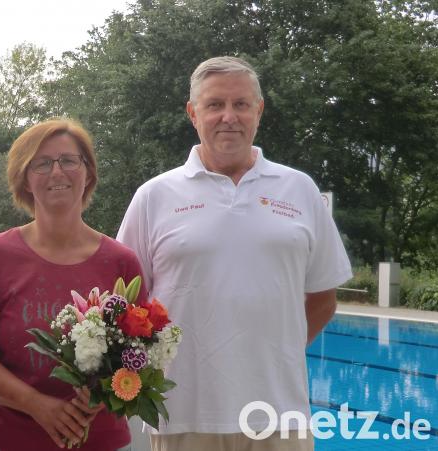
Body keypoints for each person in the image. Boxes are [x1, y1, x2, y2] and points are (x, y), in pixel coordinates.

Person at [117, 56, 352, 451]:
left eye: (241, 104)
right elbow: (125, 305)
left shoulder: (300, 190)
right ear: (193, 114)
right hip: (184, 416)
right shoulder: (155, 196)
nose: (229, 116)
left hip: (280, 416)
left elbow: (323, 299)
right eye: (215, 105)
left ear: (258, 111)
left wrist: (271, 353)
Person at [0, 119, 145, 451]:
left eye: (69, 160)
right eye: (42, 163)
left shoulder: (121, 262)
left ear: (88, 173)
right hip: (7, 441)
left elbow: (140, 355)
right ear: (26, 179)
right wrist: (37, 405)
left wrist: (97, 398)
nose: (57, 172)